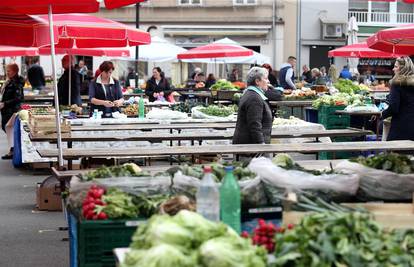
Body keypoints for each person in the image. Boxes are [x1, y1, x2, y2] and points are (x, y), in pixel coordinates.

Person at [233, 66, 273, 146]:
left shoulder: (251, 94)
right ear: (257, 81)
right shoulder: (254, 98)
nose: (268, 81)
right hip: (250, 149)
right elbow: (254, 124)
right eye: (265, 78)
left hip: (249, 146)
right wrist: (261, 144)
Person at [381, 56, 414, 141]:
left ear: (402, 69)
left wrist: (382, 114)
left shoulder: (397, 84)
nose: (393, 69)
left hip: (401, 127)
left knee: (395, 153)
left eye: (395, 66)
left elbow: (394, 107)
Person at [0, 63, 24, 159]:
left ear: (14, 71)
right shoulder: (10, 81)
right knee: (7, 128)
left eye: (8, 71)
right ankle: (13, 149)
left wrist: (5, 103)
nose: (7, 72)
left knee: (10, 129)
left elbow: (19, 98)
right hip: (7, 110)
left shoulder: (16, 83)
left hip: (12, 110)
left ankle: (13, 150)